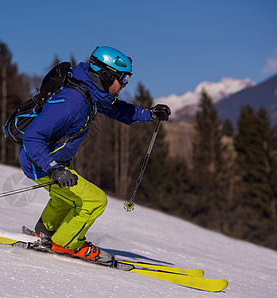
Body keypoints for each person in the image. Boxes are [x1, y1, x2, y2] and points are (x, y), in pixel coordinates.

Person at [19, 46, 171, 264]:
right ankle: (67, 243)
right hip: (40, 162)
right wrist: (54, 169)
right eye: (123, 78)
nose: (125, 84)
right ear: (106, 75)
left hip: (53, 163)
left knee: (65, 198)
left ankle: (44, 233)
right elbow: (32, 137)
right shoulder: (73, 101)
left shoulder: (92, 93)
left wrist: (149, 114)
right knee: (94, 200)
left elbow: (119, 110)